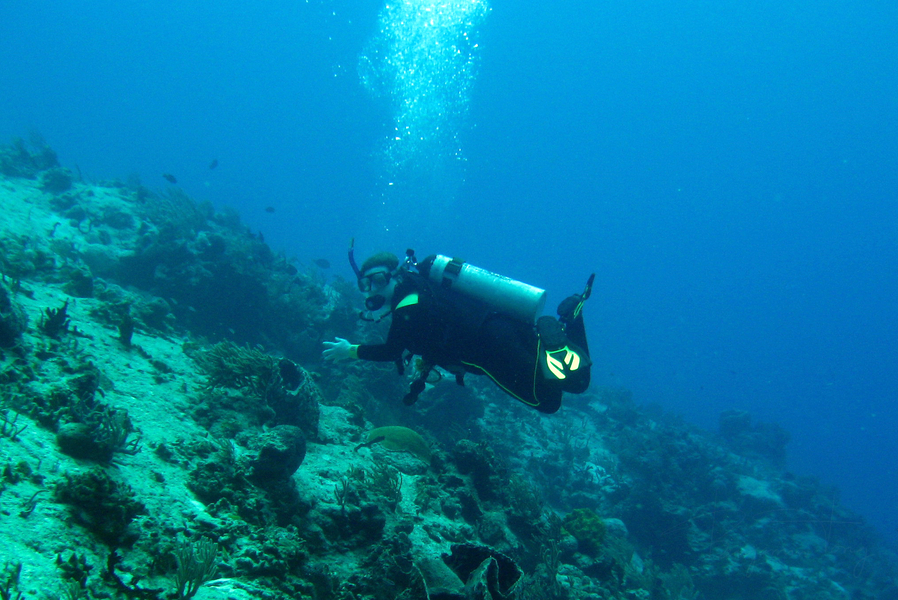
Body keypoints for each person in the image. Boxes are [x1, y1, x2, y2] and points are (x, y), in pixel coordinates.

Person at [322, 251, 592, 413]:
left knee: (548, 402)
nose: (373, 289)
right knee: (577, 384)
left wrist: (350, 350)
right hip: (504, 325)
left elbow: (391, 351)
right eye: (365, 284)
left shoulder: (407, 305)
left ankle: (559, 336)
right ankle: (569, 322)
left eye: (379, 279)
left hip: (491, 350)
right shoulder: (422, 285)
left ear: (395, 275)